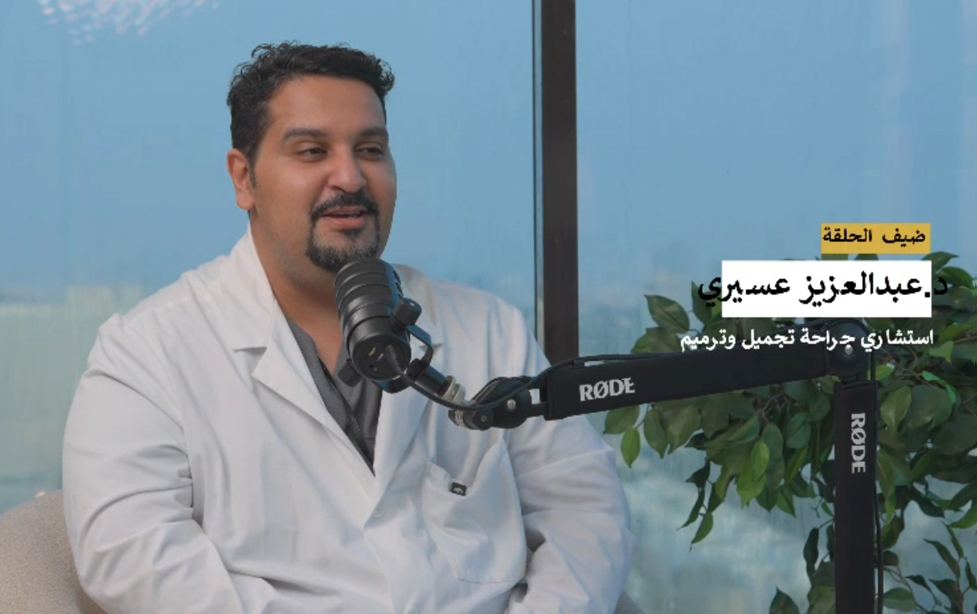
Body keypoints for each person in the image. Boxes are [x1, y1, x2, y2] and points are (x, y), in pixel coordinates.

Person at [62, 42, 634, 614]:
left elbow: (584, 510)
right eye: (312, 151)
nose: (350, 176)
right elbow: (130, 552)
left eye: (370, 149)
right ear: (244, 179)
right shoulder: (145, 354)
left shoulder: (487, 328)